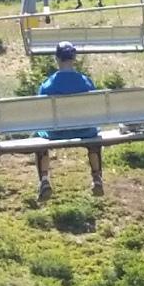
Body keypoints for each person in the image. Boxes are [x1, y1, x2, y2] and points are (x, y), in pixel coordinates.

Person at [35, 40, 104, 199]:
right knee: (94, 138)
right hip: (84, 130)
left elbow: (41, 111)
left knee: (40, 138)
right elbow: (95, 106)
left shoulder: (47, 85)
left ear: (57, 59)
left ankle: (44, 180)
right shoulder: (85, 81)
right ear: (74, 59)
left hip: (56, 132)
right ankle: (97, 178)